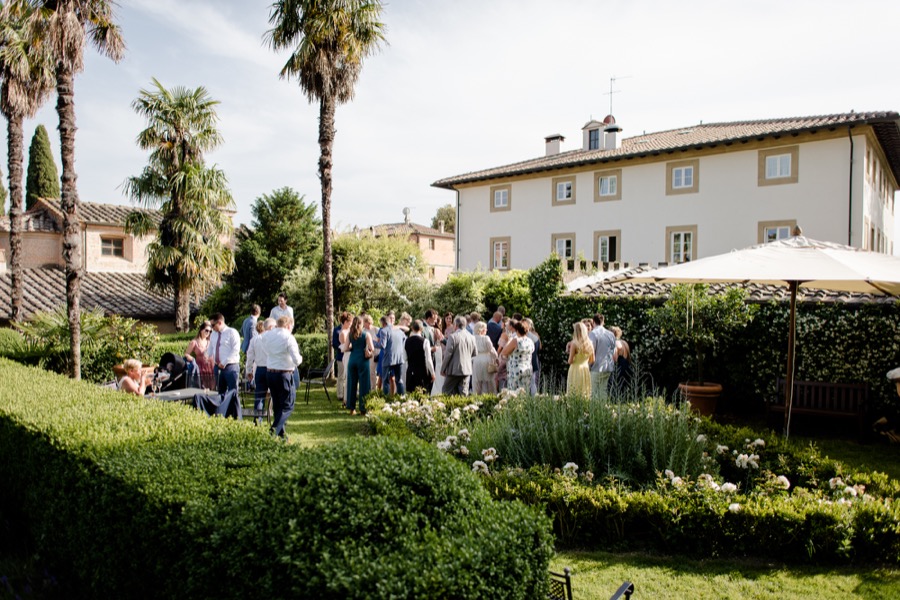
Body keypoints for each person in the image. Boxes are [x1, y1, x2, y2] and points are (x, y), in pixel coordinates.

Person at [260, 315, 302, 440]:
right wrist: (300, 359)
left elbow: (266, 350)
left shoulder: (267, 335)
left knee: (277, 404)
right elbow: (297, 360)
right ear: (289, 325)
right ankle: (273, 430)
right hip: (284, 373)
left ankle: (282, 435)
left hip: (271, 372)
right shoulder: (288, 337)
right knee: (288, 405)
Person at [206, 313, 241, 395]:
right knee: (220, 392)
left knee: (233, 392)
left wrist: (224, 362)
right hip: (217, 367)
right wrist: (206, 356)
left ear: (220, 322)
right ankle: (222, 407)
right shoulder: (213, 334)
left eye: (213, 325)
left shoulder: (232, 332)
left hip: (230, 366)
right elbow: (211, 348)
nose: (212, 328)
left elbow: (235, 350)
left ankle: (233, 408)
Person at [246, 318, 276, 414]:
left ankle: (257, 418)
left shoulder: (255, 339)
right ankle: (276, 418)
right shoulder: (274, 339)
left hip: (260, 369)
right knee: (274, 394)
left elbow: (250, 356)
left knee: (259, 395)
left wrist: (249, 371)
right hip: (271, 369)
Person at [346, 315, 374, 416]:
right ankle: (363, 409)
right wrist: (367, 350)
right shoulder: (366, 335)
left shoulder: (350, 334)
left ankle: (352, 409)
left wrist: (352, 348)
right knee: (364, 385)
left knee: (352, 384)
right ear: (361, 324)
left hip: (352, 360)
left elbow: (345, 348)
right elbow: (372, 348)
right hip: (363, 360)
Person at [441, 315, 476, 396]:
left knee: (446, 391)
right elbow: (475, 353)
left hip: (454, 370)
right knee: (463, 393)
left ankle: (448, 408)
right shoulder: (471, 337)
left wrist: (443, 369)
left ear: (456, 325)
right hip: (467, 369)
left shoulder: (453, 337)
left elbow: (448, 355)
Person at [588, 313, 617, 400]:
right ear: (603, 321)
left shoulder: (593, 334)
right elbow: (613, 350)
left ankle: (594, 412)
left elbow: (591, 351)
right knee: (603, 391)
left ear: (593, 322)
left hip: (596, 367)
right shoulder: (610, 334)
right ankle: (603, 411)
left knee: (593, 392)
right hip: (608, 366)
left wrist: (589, 366)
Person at [502, 320, 535, 393]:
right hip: (527, 369)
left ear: (516, 330)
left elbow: (504, 352)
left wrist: (509, 339)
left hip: (515, 370)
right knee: (524, 392)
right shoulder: (530, 341)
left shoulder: (516, 340)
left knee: (514, 393)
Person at [404, 320, 435, 394]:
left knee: (411, 397)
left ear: (412, 328)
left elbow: (404, 358)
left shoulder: (406, 341)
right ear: (422, 329)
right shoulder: (425, 341)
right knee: (423, 396)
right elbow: (428, 359)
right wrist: (432, 373)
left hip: (410, 371)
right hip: (422, 373)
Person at [381, 312, 407, 396]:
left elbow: (382, 345)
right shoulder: (399, 331)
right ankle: (402, 398)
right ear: (387, 319)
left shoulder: (384, 330)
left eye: (393, 318)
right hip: (399, 358)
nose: (392, 320)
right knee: (399, 380)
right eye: (391, 318)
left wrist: (371, 342)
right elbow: (404, 340)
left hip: (389, 359)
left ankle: (386, 399)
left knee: (385, 380)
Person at [184, 321, 215, 389]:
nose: (208, 333)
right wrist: (192, 359)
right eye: (206, 330)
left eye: (210, 331)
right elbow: (186, 354)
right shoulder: (194, 342)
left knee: (212, 388)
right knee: (202, 388)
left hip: (211, 368)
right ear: (201, 330)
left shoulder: (210, 342)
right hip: (200, 368)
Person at [566, 322, 594, 397]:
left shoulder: (574, 344)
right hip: (585, 369)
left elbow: (570, 361)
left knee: (574, 391)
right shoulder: (590, 343)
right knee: (584, 392)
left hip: (575, 369)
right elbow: (592, 360)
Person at [472, 321, 498, 394]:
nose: (486, 330)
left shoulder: (472, 338)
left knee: (477, 381)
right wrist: (496, 358)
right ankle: (490, 396)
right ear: (482, 329)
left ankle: (476, 397)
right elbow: (491, 350)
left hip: (476, 359)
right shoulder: (486, 338)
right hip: (486, 359)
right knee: (489, 381)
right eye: (485, 329)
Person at [608, 326, 634, 396]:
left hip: (619, 367)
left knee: (617, 387)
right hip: (626, 365)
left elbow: (615, 358)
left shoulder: (614, 343)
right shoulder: (624, 343)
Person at [334, 311, 351, 408]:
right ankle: (343, 397)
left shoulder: (350, 331)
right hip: (346, 355)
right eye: (349, 322)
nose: (351, 324)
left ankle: (348, 396)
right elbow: (346, 346)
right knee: (344, 376)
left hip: (351, 355)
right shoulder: (343, 333)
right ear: (345, 322)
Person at [524, 318, 542, 395]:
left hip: (531, 358)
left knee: (533, 380)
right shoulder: (535, 335)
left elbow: (540, 347)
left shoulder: (534, 335)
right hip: (532, 358)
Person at [362, 314, 380, 391]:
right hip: (369, 353)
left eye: (367, 323)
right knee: (371, 372)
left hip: (377, 352)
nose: (366, 325)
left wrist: (373, 342)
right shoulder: (364, 331)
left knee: (379, 372)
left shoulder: (376, 329)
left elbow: (380, 340)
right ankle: (372, 388)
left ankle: (378, 388)